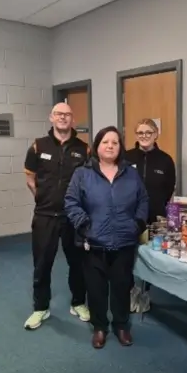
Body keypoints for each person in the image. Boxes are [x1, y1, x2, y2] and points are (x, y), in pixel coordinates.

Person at [64, 126, 149, 349]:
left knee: (122, 287)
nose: (110, 146)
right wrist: (85, 224)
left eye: (115, 142)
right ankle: (100, 327)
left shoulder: (131, 173)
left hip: (124, 242)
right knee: (96, 289)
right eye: (105, 142)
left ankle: (122, 326)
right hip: (93, 243)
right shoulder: (82, 173)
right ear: (97, 146)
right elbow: (71, 202)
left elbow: (143, 201)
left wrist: (137, 225)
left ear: (120, 148)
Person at [23, 102, 90, 330]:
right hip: (45, 216)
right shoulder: (37, 146)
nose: (63, 118)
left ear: (73, 119)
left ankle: (79, 302)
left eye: (67, 114)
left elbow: (88, 182)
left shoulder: (84, 149)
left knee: (78, 263)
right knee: (42, 264)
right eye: (58, 114)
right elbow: (30, 178)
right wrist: (41, 197)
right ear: (51, 117)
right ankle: (40, 307)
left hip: (73, 217)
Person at [125, 119, 176, 313]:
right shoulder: (126, 157)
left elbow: (169, 187)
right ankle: (130, 290)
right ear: (136, 135)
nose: (144, 136)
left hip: (155, 218)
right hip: (129, 216)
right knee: (127, 255)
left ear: (156, 134)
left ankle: (146, 292)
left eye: (148, 132)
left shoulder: (165, 160)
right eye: (140, 132)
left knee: (151, 257)